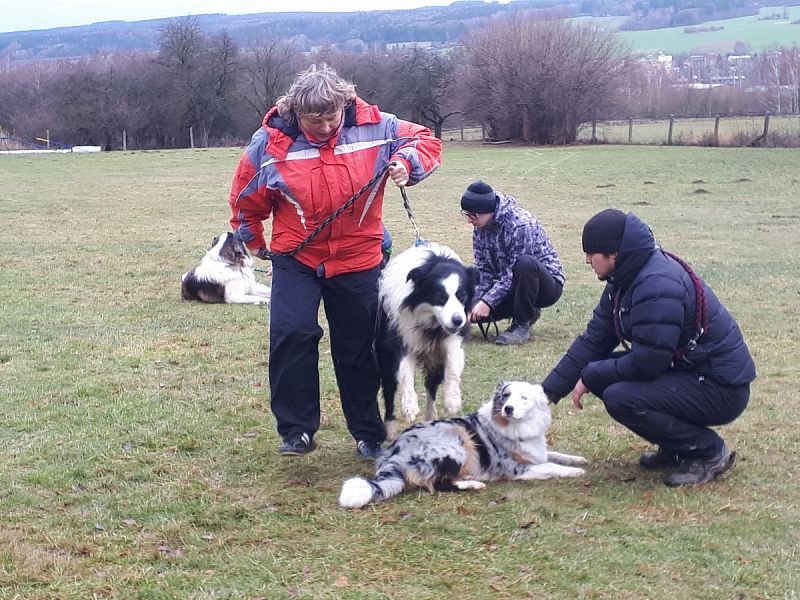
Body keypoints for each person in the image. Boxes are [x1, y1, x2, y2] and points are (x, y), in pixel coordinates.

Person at [228, 64, 442, 458]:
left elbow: (426, 141)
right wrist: (252, 239)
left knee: (358, 347)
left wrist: (406, 162)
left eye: (332, 117)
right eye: (315, 120)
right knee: (292, 335)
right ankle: (296, 431)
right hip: (297, 256)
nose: (326, 127)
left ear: (345, 104)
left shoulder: (377, 126)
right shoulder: (270, 142)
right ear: (296, 113)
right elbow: (246, 196)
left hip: (359, 255)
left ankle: (367, 432)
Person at [542, 209, 756, 487]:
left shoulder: (656, 283)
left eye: (591, 253)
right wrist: (544, 392)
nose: (586, 260)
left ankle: (707, 451)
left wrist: (593, 374)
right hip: (691, 371)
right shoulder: (625, 278)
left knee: (620, 395)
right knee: (608, 380)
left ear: (613, 254)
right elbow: (595, 339)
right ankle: (677, 447)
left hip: (722, 386)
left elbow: (649, 362)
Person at [461, 180, 565, 345]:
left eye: (472, 215)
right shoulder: (480, 227)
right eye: (466, 214)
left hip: (545, 286)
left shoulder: (521, 224)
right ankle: (529, 311)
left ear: (486, 211)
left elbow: (513, 272)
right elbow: (484, 271)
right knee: (472, 311)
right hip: (511, 286)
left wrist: (488, 301)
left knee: (524, 264)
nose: (469, 220)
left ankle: (522, 325)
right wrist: (473, 304)